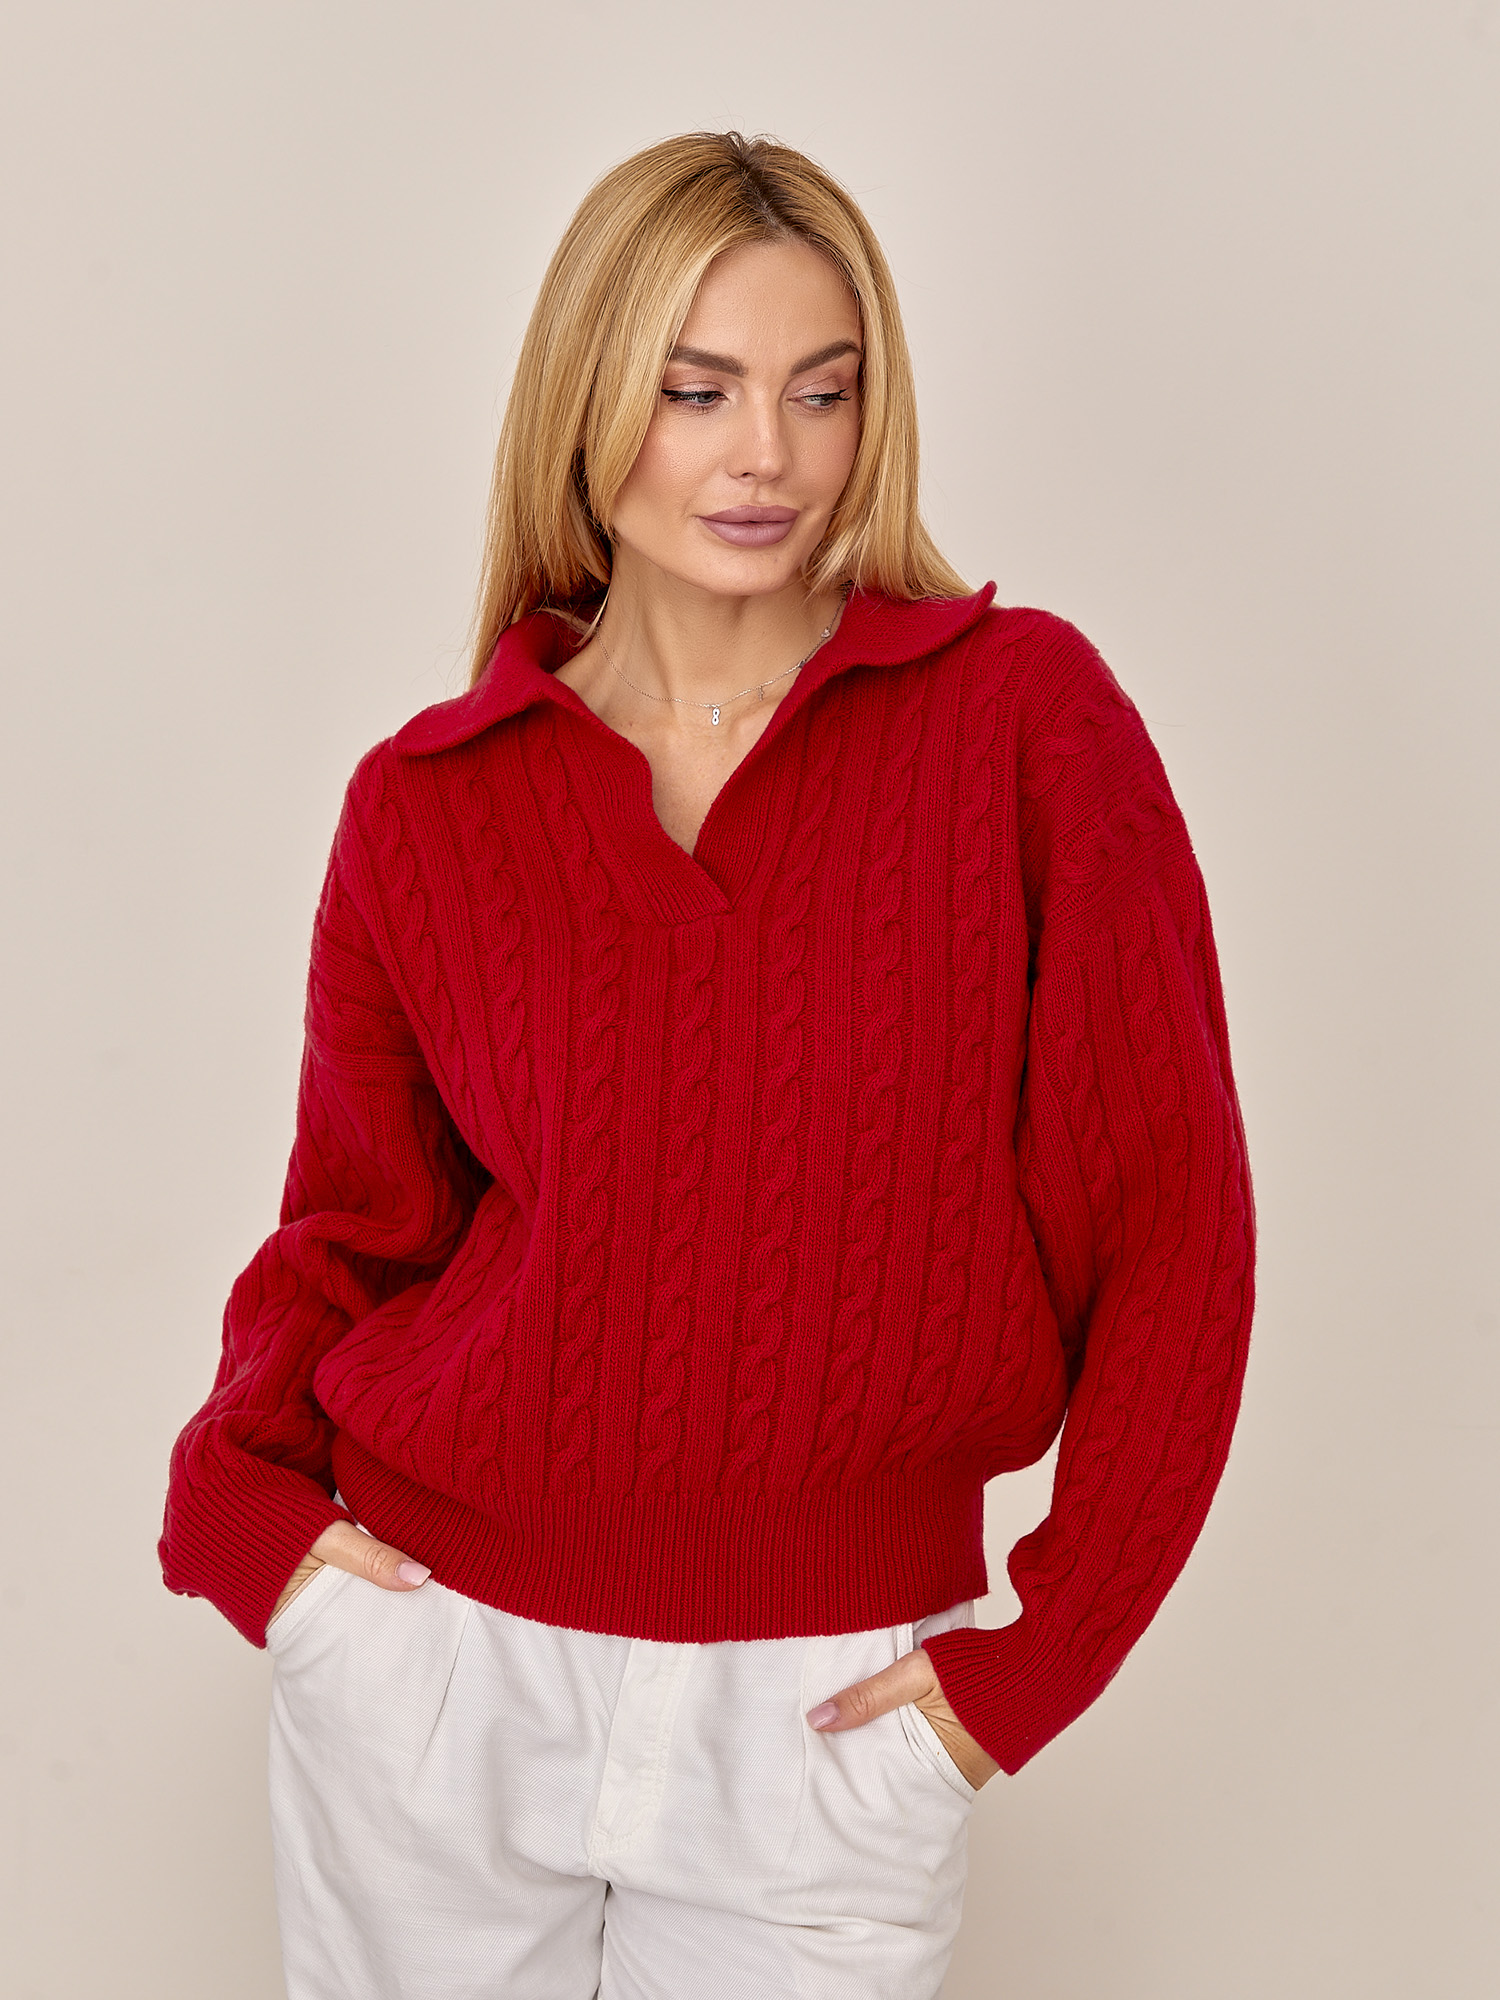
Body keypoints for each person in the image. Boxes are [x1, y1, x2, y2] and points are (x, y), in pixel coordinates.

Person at [160, 130, 1254, 2000]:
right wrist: (246, 1516)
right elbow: (357, 1231)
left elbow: (1173, 1227)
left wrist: (1030, 1666)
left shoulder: (1021, 726)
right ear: (591, 397)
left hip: (826, 1709)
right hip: (441, 1670)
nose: (770, 456)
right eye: (698, 391)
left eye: (823, 392)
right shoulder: (431, 802)